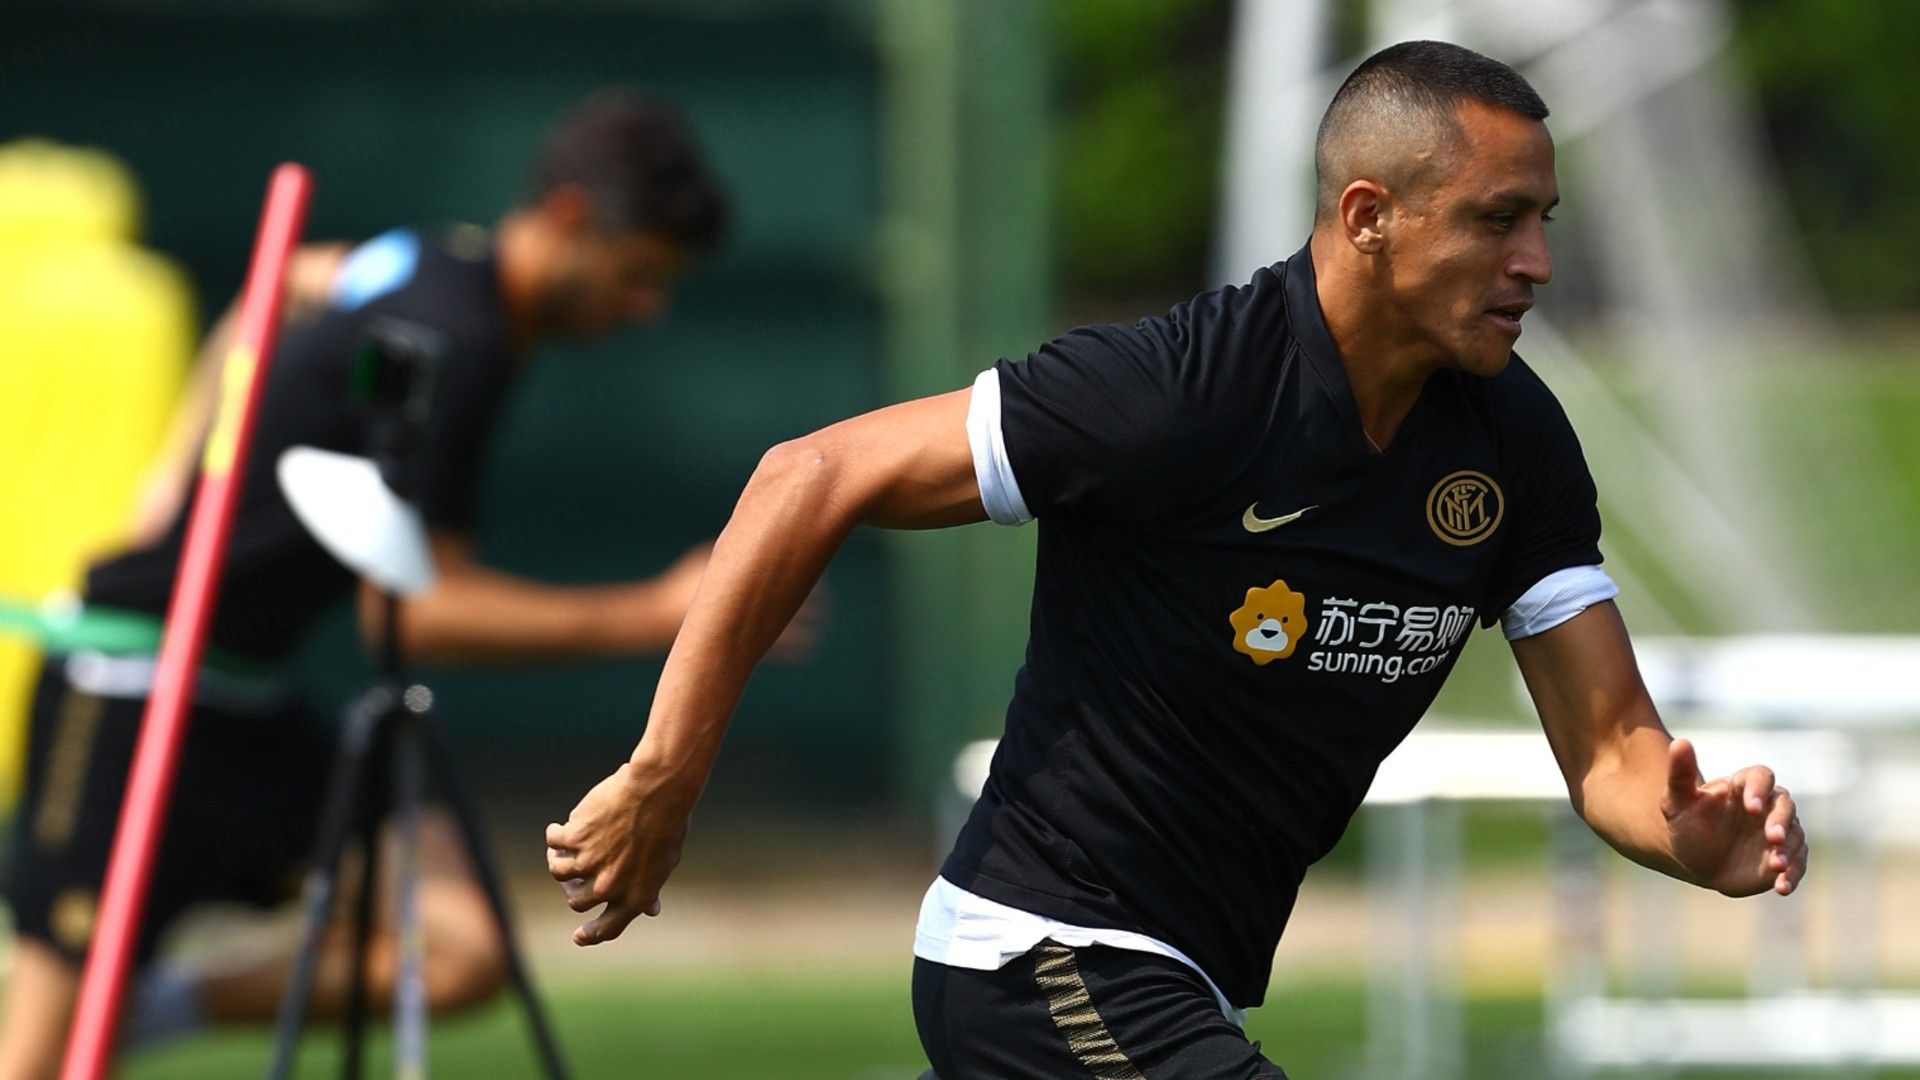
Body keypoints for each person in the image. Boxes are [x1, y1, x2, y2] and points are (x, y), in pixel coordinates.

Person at [544, 41, 1809, 1079]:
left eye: (1542, 220)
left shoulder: (1513, 442)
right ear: (1367, 217)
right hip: (1042, 950)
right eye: (1497, 220)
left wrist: (1685, 834)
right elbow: (811, 474)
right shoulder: (1184, 392)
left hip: (1181, 978)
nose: (1537, 261)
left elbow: (1613, 747)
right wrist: (665, 776)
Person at [0, 89, 756, 1079]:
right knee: (40, 1060)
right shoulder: (457, 338)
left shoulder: (424, 259)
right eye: (637, 274)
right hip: (130, 689)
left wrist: (177, 466)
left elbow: (279, 281)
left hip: (247, 702)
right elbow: (419, 612)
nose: (645, 309)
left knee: (463, 950)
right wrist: (655, 613)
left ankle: (153, 1010)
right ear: (570, 218)